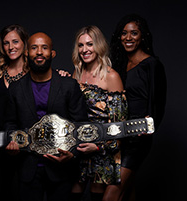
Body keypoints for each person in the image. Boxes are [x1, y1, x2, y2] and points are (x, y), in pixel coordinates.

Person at [5, 32, 88, 201]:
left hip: (61, 168)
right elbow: (10, 122)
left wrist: (72, 154)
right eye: (34, 48)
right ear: (27, 53)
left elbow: (80, 124)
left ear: (52, 53)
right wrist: (12, 141)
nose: (39, 52)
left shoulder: (68, 85)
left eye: (44, 47)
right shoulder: (15, 88)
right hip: (27, 168)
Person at [110, 14, 167, 201]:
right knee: (127, 192)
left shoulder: (152, 65)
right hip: (118, 135)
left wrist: (149, 127)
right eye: (124, 33)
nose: (128, 38)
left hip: (137, 137)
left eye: (134, 33)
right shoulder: (119, 64)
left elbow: (158, 101)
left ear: (142, 36)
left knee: (112, 193)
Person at [70, 26, 128, 201]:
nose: (84, 50)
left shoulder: (111, 76)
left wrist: (97, 147)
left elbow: (120, 126)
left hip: (103, 152)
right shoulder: (77, 73)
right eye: (81, 45)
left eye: (90, 44)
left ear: (99, 46)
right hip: (79, 149)